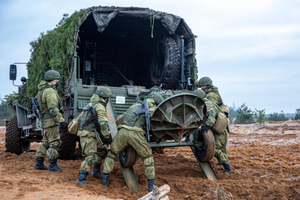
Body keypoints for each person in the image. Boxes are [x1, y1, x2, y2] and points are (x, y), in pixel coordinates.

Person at [102, 92, 164, 192]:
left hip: (123, 131)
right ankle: (151, 185)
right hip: (136, 134)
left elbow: (119, 119)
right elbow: (160, 120)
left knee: (111, 154)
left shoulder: (134, 106)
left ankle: (104, 180)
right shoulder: (152, 108)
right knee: (148, 158)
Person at [75, 86, 112, 185]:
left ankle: (95, 171)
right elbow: (103, 123)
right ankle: (81, 178)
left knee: (102, 150)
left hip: (92, 134)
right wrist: (107, 136)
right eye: (108, 97)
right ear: (105, 97)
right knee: (90, 156)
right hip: (88, 134)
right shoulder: (99, 105)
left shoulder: (92, 103)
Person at [192, 89, 232, 174]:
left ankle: (228, 168)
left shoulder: (207, 104)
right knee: (215, 148)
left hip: (220, 131)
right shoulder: (204, 103)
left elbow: (212, 115)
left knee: (215, 149)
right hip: (216, 129)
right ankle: (224, 164)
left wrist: (207, 125)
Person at [34, 70, 65, 172]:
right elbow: (53, 108)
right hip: (51, 121)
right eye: (56, 80)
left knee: (45, 143)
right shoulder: (50, 91)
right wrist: (61, 120)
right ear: (51, 80)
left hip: (44, 121)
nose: (57, 82)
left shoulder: (41, 90)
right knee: (54, 143)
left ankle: (39, 163)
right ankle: (53, 165)